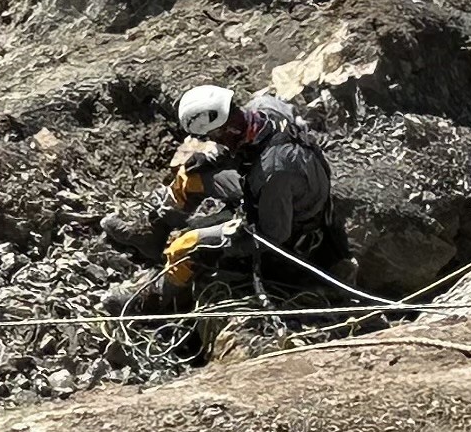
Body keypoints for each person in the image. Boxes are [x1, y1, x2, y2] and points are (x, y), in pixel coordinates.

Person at [105, 83, 334, 317]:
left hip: (287, 223)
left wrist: (226, 244)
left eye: (215, 136)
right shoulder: (261, 109)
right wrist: (212, 158)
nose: (215, 141)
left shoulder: (274, 172)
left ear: (227, 130)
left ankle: (154, 302)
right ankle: (152, 235)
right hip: (266, 186)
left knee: (186, 246)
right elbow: (249, 144)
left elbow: (274, 235)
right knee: (189, 177)